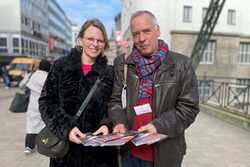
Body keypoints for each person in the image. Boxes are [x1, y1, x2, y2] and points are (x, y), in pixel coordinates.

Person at [108, 10, 200, 167]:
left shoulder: (181, 64)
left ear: (158, 31)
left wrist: (157, 126)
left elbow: (188, 108)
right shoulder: (122, 64)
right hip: (130, 154)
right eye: (136, 34)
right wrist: (119, 123)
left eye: (147, 31)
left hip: (166, 155)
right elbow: (115, 100)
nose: (141, 38)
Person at [38, 19, 118, 167]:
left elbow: (116, 105)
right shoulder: (60, 66)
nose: (95, 44)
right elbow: (46, 102)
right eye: (90, 39)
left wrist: (107, 124)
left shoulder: (110, 72)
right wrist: (67, 128)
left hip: (100, 155)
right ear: (80, 39)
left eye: (100, 40)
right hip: (66, 154)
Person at [19, 59, 51, 154]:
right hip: (45, 105)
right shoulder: (49, 77)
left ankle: (29, 147)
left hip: (32, 105)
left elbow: (21, 85)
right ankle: (45, 144)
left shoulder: (32, 75)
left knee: (31, 125)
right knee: (45, 125)